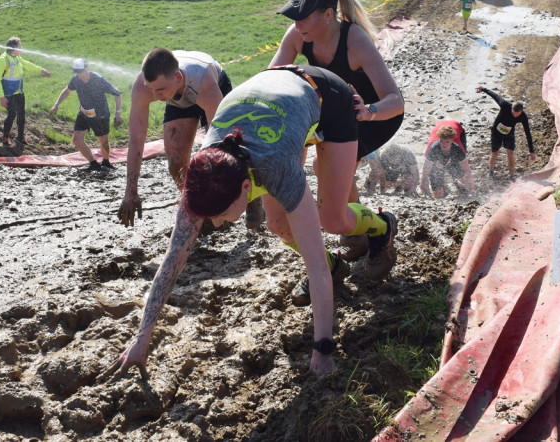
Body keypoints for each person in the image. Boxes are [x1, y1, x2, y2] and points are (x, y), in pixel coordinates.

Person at [118, 66, 398, 379]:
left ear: (246, 188)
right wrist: (142, 338)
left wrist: (322, 349)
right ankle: (340, 267)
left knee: (333, 219)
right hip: (271, 102)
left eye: (222, 216)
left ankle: (382, 227)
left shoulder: (277, 169)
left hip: (326, 97)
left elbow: (314, 264)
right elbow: (172, 262)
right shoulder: (201, 177)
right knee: (278, 226)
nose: (220, 224)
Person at [270, 0, 405, 201]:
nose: (297, 25)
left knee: (326, 163)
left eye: (303, 17)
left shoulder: (355, 40)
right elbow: (271, 79)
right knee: (301, 147)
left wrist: (368, 111)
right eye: (294, 18)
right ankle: (351, 223)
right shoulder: (297, 35)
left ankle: (363, 227)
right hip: (339, 112)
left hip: (375, 116)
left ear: (328, 14)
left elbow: (395, 102)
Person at [117, 48, 236, 226]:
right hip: (178, 97)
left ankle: (249, 200)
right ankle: (197, 207)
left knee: (222, 157)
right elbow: (136, 139)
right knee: (176, 165)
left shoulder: (205, 84)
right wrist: (130, 190)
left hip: (211, 87)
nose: (155, 96)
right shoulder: (144, 87)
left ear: (178, 77)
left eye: (160, 90)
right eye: (151, 89)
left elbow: (219, 142)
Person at [50, 58, 122, 173]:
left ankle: (106, 162)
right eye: (76, 72)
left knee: (103, 140)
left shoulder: (98, 79)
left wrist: (117, 113)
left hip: (100, 115)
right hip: (84, 113)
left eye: (81, 72)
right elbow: (67, 90)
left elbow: (118, 94)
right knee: (77, 139)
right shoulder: (76, 79)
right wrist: (56, 104)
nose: (79, 75)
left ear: (87, 69)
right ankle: (93, 164)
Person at [0, 37, 51, 148]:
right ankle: (5, 137)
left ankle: (20, 137)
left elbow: (27, 64)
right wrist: (1, 97)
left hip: (19, 91)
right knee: (12, 114)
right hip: (8, 93)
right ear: (13, 48)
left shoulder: (17, 57)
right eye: (20, 46)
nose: (22, 48)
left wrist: (41, 70)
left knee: (21, 114)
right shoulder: (2, 60)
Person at [477, 86, 536, 179]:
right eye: (514, 113)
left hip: (509, 133)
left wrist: (531, 151)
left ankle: (512, 176)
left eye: (517, 114)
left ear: (521, 112)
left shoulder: (523, 117)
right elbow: (495, 96)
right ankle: (491, 171)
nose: (515, 116)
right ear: (512, 108)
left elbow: (527, 133)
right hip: (496, 132)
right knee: (495, 153)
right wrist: (483, 89)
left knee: (510, 153)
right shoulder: (505, 105)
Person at [420, 121, 476, 198]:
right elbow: (425, 173)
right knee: (438, 194)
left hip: (458, 128)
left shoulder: (457, 148)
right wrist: (423, 186)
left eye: (447, 142)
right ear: (439, 139)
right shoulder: (433, 149)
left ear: (452, 140)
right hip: (437, 129)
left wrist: (471, 186)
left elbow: (467, 170)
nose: (444, 144)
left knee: (464, 181)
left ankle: (455, 181)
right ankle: (443, 183)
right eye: (442, 141)